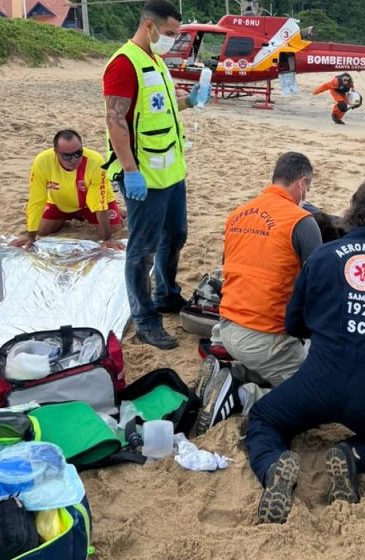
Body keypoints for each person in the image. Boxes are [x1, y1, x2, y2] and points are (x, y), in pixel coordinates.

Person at [245, 180, 365, 523]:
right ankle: (353, 455)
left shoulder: (321, 256)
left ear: (351, 213)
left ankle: (273, 464)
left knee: (264, 419)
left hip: (316, 381)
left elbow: (294, 324)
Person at [102, 0, 210, 350]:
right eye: (168, 34)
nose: (172, 41)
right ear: (148, 26)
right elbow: (116, 120)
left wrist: (190, 101)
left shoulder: (156, 61)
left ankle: (166, 294)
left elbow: (159, 108)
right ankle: (146, 317)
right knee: (142, 249)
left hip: (171, 172)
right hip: (143, 176)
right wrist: (130, 172)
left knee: (175, 235)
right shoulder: (123, 64)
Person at [194, 152, 322, 435]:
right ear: (302, 183)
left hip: (226, 328)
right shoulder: (302, 221)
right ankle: (241, 397)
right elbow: (319, 290)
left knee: (287, 362)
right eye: (308, 188)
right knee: (318, 399)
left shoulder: (238, 214)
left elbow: (228, 270)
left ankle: (230, 373)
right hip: (266, 337)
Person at [9, 130, 124, 250]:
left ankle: (116, 209)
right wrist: (30, 236)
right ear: (56, 152)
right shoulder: (42, 162)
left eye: (78, 153)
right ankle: (73, 214)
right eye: (67, 156)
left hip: (89, 202)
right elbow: (36, 199)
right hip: (60, 202)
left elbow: (99, 202)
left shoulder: (95, 161)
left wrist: (107, 239)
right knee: (42, 231)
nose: (73, 159)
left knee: (114, 229)